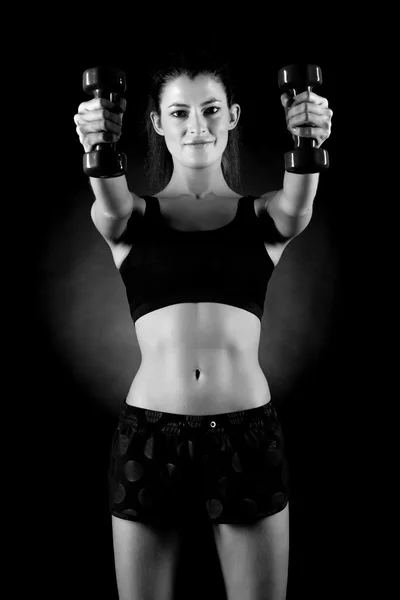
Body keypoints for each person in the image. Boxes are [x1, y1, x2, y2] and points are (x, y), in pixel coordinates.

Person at [74, 50, 332, 600]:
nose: (198, 126)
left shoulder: (263, 217)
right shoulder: (131, 221)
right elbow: (109, 202)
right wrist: (98, 143)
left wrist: (308, 137)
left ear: (234, 117)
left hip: (247, 436)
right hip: (148, 439)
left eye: (212, 110)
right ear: (155, 123)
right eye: (180, 113)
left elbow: (299, 201)